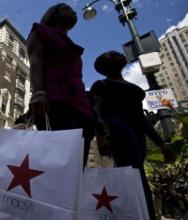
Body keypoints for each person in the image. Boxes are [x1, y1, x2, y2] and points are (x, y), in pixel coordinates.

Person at [90, 50, 176, 220]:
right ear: (103, 67)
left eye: (114, 54)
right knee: (133, 173)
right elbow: (97, 115)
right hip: (117, 130)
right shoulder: (101, 85)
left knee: (136, 173)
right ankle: (140, 213)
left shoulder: (134, 89)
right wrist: (101, 138)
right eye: (109, 56)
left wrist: (161, 144)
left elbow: (141, 119)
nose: (114, 55)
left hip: (136, 133)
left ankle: (140, 212)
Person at [27, 3, 94, 166]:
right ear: (54, 14)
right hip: (56, 100)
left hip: (81, 106)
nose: (73, 11)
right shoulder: (40, 31)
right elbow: (36, 61)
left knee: (78, 166)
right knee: (59, 163)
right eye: (66, 8)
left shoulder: (69, 42)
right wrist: (38, 94)